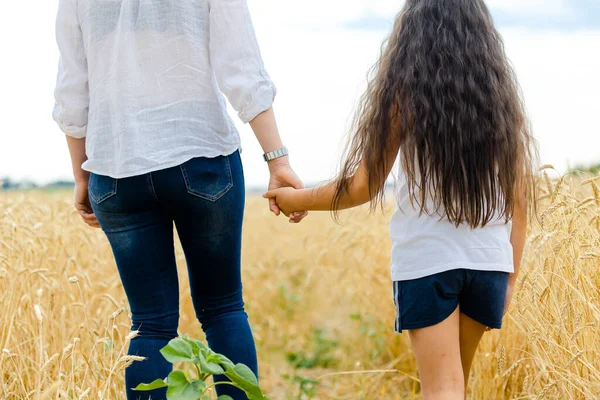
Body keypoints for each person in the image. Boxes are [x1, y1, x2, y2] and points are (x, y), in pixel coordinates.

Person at [264, 0, 537, 399]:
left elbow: (363, 185)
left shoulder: (406, 94)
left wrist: (295, 199)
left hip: (429, 264)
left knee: (442, 390)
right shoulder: (498, 98)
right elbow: (519, 197)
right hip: (488, 265)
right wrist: (509, 276)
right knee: (456, 385)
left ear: (413, 33)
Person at [53, 0, 306, 399]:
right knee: (223, 309)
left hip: (116, 166)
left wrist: (81, 174)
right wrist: (278, 160)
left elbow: (72, 88)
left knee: (149, 323)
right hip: (201, 153)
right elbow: (241, 66)